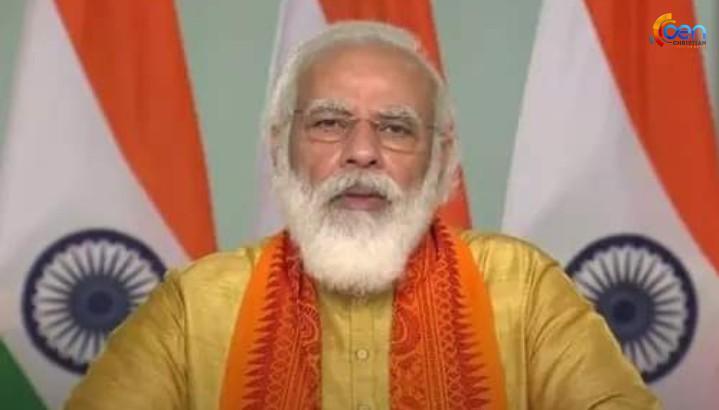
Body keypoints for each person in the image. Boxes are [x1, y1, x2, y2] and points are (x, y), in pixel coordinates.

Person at [65, 21, 660, 410]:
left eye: (396, 128)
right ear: (279, 148)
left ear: (442, 159)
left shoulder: (523, 291)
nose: (362, 152)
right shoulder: (195, 306)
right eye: (329, 123)